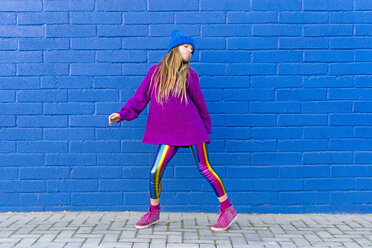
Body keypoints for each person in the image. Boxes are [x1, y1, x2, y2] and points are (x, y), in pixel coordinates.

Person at [108, 29, 237, 231]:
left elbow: (200, 103)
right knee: (154, 172)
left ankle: (227, 210)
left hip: (192, 129)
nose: (190, 51)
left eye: (192, 49)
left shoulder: (190, 75)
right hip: (169, 133)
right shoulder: (155, 73)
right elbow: (140, 99)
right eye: (186, 47)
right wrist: (122, 114)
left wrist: (205, 128)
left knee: (204, 168)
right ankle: (154, 212)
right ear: (174, 48)